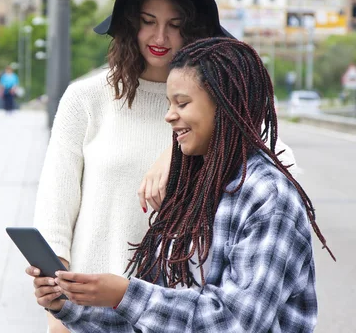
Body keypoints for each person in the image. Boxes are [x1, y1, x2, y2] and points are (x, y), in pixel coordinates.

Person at [33, 0, 296, 332]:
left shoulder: (219, 110)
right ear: (129, 24)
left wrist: (172, 155)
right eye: (148, 22)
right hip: (87, 313)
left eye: (175, 25)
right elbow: (54, 210)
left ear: (197, 32)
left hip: (175, 315)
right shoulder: (85, 98)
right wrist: (58, 307)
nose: (160, 37)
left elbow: (275, 173)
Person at [29, 37, 334, 332]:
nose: (169, 116)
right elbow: (156, 320)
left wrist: (125, 295)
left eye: (182, 103)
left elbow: (237, 323)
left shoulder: (268, 197)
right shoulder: (192, 188)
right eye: (169, 103)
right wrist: (67, 306)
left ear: (226, 105)